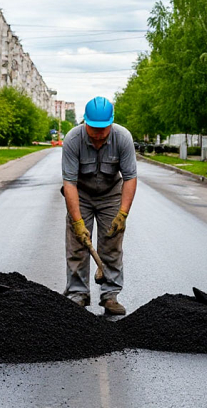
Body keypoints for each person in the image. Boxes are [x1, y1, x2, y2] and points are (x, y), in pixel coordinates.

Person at [61, 96, 138, 315]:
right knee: (77, 245)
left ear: (111, 123)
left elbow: (130, 178)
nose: (98, 134)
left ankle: (110, 296)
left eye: (103, 129)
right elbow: (69, 183)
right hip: (81, 195)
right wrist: (77, 221)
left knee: (112, 244)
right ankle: (78, 294)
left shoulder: (122, 138)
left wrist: (122, 214)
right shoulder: (73, 139)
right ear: (85, 122)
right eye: (93, 128)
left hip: (111, 195)